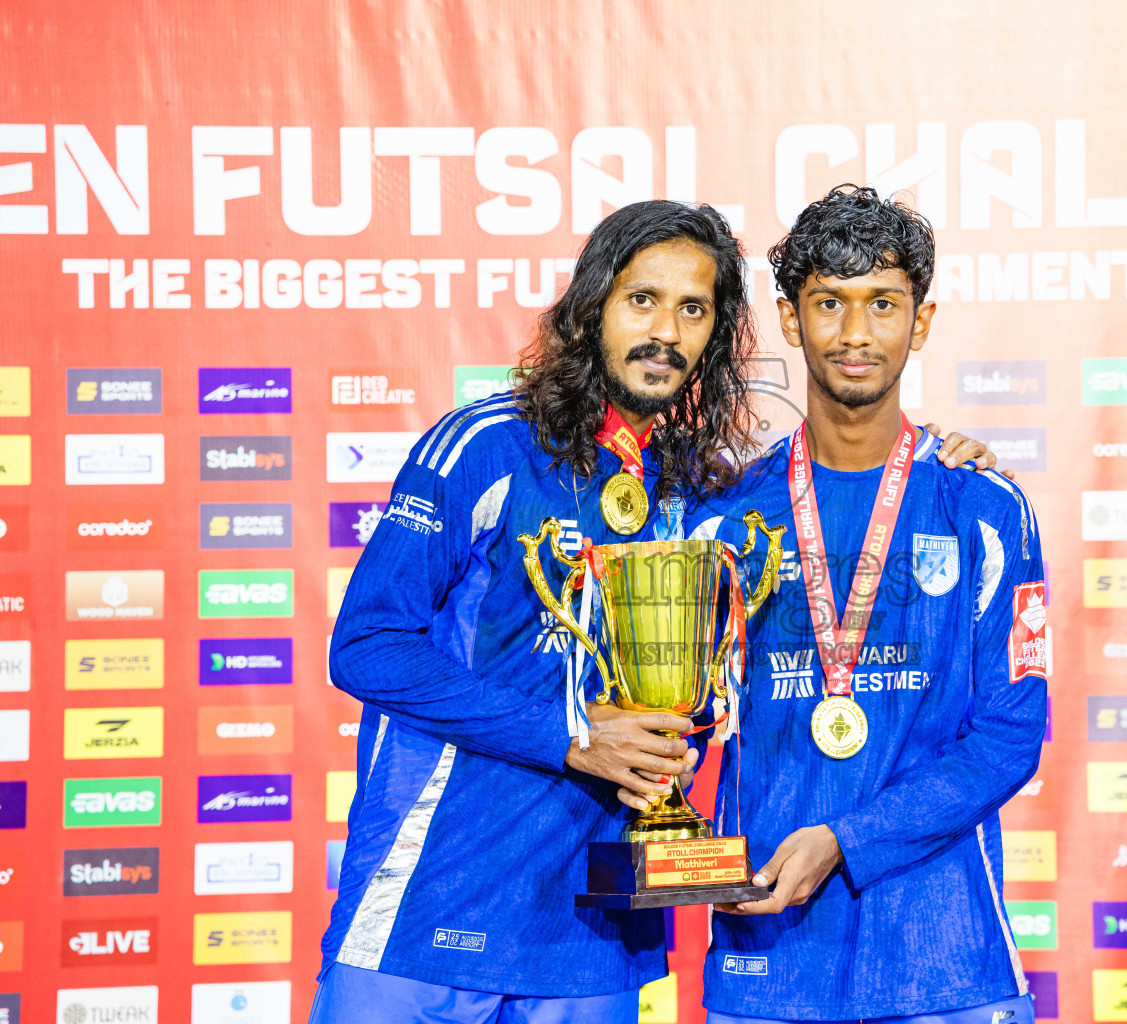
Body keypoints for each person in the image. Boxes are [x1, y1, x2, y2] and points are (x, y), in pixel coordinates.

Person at [314, 198, 1006, 1024]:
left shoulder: (702, 493)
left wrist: (941, 463)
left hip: (598, 936)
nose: (667, 331)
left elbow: (718, 680)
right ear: (591, 306)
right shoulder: (484, 446)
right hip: (430, 908)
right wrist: (573, 736)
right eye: (642, 300)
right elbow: (366, 644)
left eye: (693, 310)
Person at [689, 186, 1050, 1023]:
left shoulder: (983, 508)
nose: (855, 335)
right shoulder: (722, 518)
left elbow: (1008, 736)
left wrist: (844, 842)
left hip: (944, 968)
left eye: (883, 305)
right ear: (789, 319)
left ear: (919, 324)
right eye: (829, 305)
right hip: (767, 965)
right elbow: (685, 715)